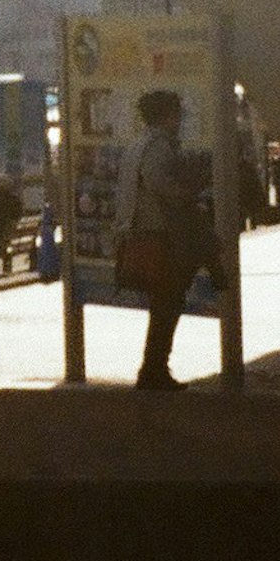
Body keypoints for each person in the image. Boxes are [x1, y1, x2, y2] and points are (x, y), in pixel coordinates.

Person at [117, 88, 219, 390]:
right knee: (167, 303)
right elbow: (159, 182)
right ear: (168, 115)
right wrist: (186, 195)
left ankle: (154, 367)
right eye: (177, 113)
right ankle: (154, 369)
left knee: (162, 304)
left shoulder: (136, 145)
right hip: (160, 237)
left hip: (140, 234)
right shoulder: (159, 146)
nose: (181, 119)